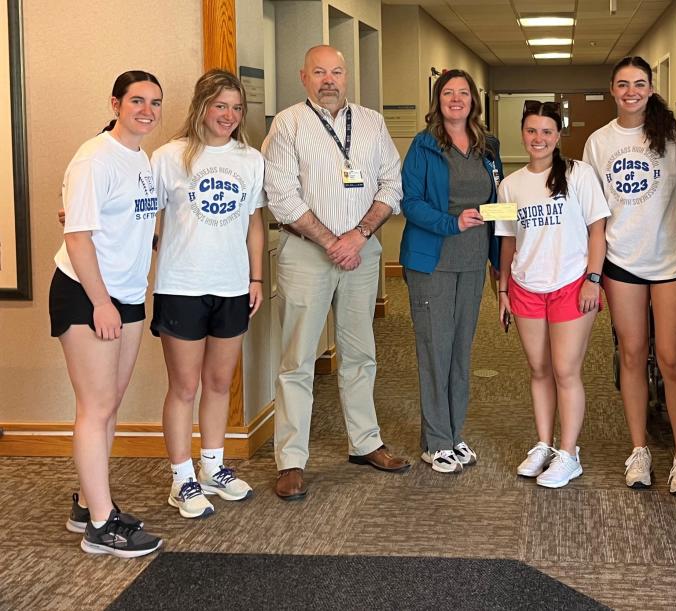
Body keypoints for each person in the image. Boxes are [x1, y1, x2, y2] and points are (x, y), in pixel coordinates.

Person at [262, 44, 410, 500]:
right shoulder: (287, 124)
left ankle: (365, 442)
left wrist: (359, 235)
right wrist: (332, 241)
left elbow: (393, 183)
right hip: (307, 253)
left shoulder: (371, 122)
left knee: (360, 350)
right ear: (303, 76)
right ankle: (291, 459)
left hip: (362, 253)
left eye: (337, 72)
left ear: (347, 77)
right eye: (320, 72)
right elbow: (280, 195)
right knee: (298, 360)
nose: (330, 80)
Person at [52, 71, 164, 557]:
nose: (147, 110)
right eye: (137, 100)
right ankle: (101, 525)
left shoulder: (140, 158)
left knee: (108, 405)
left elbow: (133, 226)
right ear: (115, 103)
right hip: (87, 294)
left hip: (128, 294)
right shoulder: (93, 158)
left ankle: (87, 502)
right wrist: (101, 303)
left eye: (155, 102)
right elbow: (77, 237)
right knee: (94, 409)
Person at [583, 56, 676, 495]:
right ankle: (640, 451)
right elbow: (594, 212)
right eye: (622, 84)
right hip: (621, 261)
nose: (630, 90)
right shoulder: (598, 142)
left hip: (672, 260)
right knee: (632, 355)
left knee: (672, 360)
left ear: (651, 87)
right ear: (612, 90)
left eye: (639, 83)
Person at [150, 70, 264, 518]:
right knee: (184, 386)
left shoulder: (250, 159)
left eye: (237, 108)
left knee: (219, 383)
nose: (229, 116)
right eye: (221, 106)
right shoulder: (168, 157)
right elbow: (144, 216)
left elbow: (254, 223)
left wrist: (256, 279)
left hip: (233, 284)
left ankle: (213, 467)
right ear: (202, 107)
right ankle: (182, 479)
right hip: (181, 285)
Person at [497, 100, 610, 488]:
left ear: (558, 135)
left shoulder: (579, 174)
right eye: (531, 131)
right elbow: (507, 241)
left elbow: (598, 230)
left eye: (547, 131)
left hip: (571, 286)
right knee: (539, 370)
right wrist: (502, 290)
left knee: (565, 370)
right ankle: (544, 443)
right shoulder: (509, 184)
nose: (538, 138)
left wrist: (593, 279)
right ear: (522, 133)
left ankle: (569, 452)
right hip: (526, 286)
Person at [399, 69, 503, 473]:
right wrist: (452, 223)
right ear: (437, 99)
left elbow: (497, 206)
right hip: (433, 262)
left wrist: (500, 261)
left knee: (461, 350)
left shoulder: (486, 147)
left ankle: (453, 435)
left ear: (474, 100)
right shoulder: (424, 146)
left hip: (473, 262)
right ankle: (435, 441)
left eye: (463, 93)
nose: (456, 99)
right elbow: (411, 202)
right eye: (448, 92)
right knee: (435, 350)